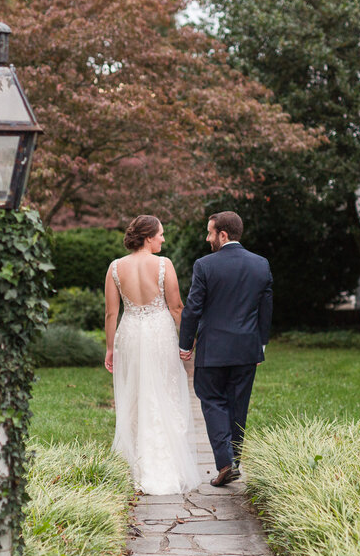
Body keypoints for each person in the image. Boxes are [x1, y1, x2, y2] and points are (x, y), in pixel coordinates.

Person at [105, 215, 202, 495]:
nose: (163, 239)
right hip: (159, 333)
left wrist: (110, 348)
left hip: (131, 333)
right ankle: (163, 465)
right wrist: (188, 341)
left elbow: (112, 313)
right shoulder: (163, 264)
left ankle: (136, 465)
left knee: (135, 394)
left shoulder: (115, 267)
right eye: (160, 234)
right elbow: (176, 307)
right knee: (164, 393)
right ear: (148, 237)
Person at [179, 211, 272, 487]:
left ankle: (224, 462)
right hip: (246, 349)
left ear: (223, 234)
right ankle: (234, 462)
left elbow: (193, 308)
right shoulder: (261, 264)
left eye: (210, 233)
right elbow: (265, 310)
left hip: (214, 350)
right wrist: (261, 345)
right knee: (237, 404)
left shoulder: (205, 265)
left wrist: (185, 343)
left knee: (212, 399)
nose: (207, 239)